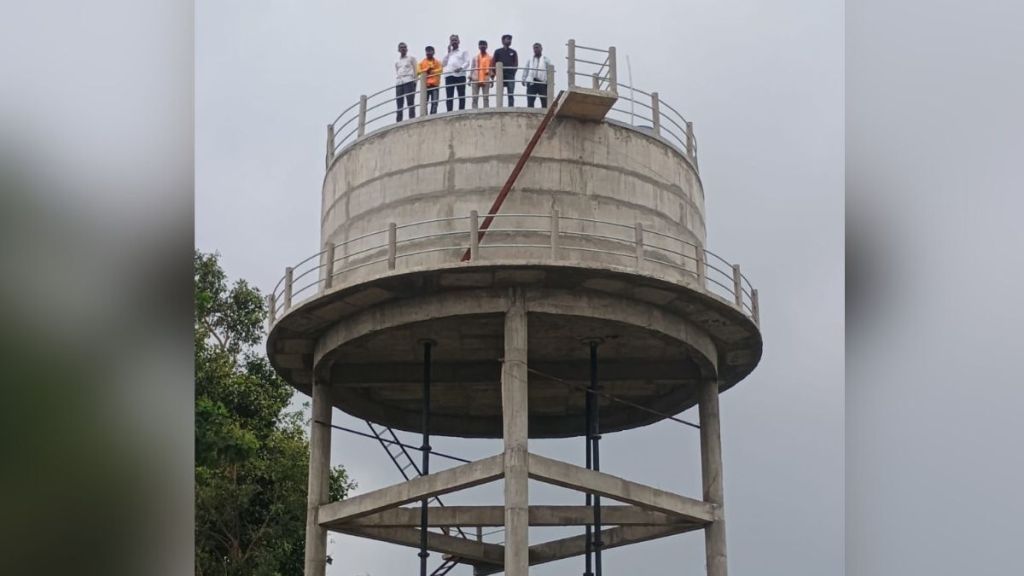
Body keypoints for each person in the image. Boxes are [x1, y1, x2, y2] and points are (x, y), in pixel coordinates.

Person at [441, 34, 470, 112]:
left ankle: (461, 111)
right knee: (449, 95)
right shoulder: (449, 53)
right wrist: (448, 52)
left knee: (461, 94)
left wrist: (461, 68)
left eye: (455, 40)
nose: (454, 42)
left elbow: (467, 62)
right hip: (449, 75)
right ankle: (449, 112)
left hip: (460, 75)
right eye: (452, 40)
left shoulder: (463, 51)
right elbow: (443, 64)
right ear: (450, 42)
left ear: (459, 41)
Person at [521, 42, 551, 108]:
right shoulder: (530, 60)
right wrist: (523, 79)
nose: (535, 49)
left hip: (542, 82)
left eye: (537, 48)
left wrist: (549, 82)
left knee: (544, 100)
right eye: (534, 48)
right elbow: (526, 69)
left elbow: (549, 72)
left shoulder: (546, 60)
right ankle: (530, 115)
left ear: (541, 49)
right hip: (532, 82)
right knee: (530, 101)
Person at [492, 34, 518, 107]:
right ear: (503, 41)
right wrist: (495, 73)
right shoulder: (498, 51)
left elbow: (516, 64)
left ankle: (511, 107)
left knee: (511, 93)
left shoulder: (513, 52)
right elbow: (493, 63)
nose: (509, 41)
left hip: (510, 75)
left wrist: (513, 72)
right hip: (501, 75)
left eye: (510, 39)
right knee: (500, 92)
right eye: (507, 39)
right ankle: (499, 107)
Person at [394, 42, 418, 121]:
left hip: (409, 80)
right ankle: (398, 121)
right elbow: (397, 71)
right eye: (401, 47)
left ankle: (412, 119)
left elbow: (415, 70)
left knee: (410, 102)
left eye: (404, 47)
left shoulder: (411, 58)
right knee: (399, 103)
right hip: (399, 82)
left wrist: (415, 82)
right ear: (399, 50)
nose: (403, 49)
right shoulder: (397, 62)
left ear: (407, 49)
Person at [418, 45, 443, 114]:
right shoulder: (422, 63)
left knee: (434, 102)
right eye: (427, 51)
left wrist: (432, 71)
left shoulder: (438, 62)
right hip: (426, 86)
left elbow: (441, 70)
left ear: (433, 52)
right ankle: (425, 116)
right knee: (424, 102)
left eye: (430, 51)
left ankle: (433, 115)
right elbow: (418, 71)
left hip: (435, 85)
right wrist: (426, 70)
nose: (428, 53)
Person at [470, 40, 494, 109]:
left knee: (486, 97)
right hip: (475, 78)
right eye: (481, 45)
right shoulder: (475, 57)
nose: (482, 46)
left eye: (484, 45)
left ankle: (486, 110)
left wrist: (492, 80)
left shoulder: (490, 58)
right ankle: (474, 111)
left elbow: (491, 69)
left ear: (487, 46)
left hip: (486, 78)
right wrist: (470, 78)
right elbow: (472, 68)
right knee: (474, 97)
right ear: (479, 46)